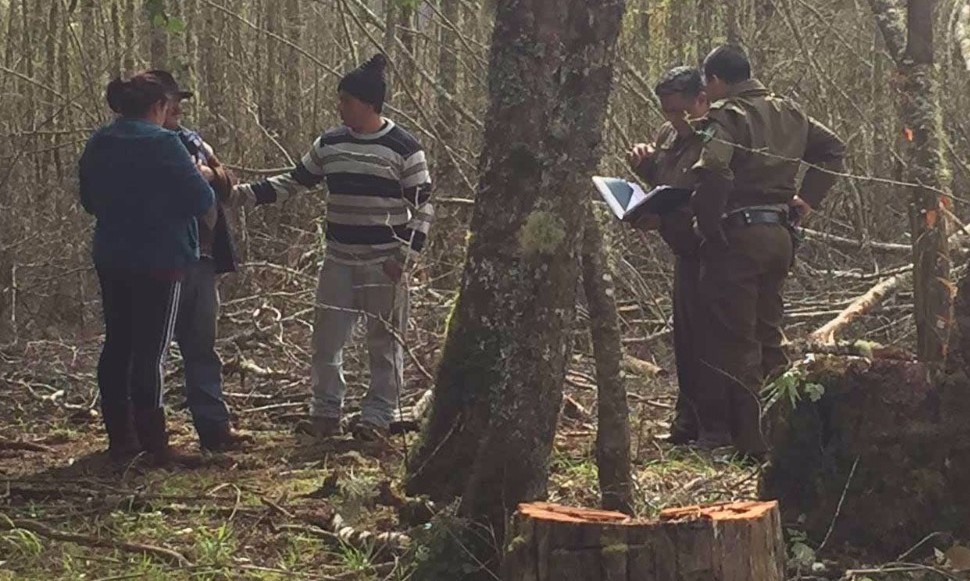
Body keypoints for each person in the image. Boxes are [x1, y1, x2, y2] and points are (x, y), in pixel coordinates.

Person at [233, 54, 433, 442]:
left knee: (385, 344)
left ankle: (376, 417)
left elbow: (424, 206)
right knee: (326, 341)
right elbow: (294, 182)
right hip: (338, 260)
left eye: (346, 100)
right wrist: (237, 194)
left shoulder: (404, 147)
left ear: (369, 104)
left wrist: (404, 257)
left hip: (383, 264)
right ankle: (325, 412)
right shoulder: (330, 143)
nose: (339, 106)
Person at [690, 45, 845, 457]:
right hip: (779, 236)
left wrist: (707, 227)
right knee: (770, 336)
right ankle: (789, 433)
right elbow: (833, 150)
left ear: (716, 80)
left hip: (738, 238)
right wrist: (807, 200)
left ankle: (754, 445)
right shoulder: (790, 113)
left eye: (709, 82)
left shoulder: (727, 116)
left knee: (737, 340)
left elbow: (714, 170)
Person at [79, 72, 215, 465]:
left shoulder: (100, 141)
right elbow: (200, 196)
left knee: (118, 343)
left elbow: (89, 200)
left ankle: (120, 436)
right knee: (151, 352)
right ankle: (155, 443)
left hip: (113, 255)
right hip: (162, 257)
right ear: (157, 108)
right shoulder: (166, 143)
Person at [150, 70, 251, 452]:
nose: (175, 108)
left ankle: (214, 429)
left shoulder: (194, 141)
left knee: (202, 346)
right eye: (167, 101)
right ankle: (150, 432)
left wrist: (207, 172)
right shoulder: (147, 146)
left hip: (203, 259)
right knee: (152, 350)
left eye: (177, 101)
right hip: (162, 257)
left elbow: (227, 182)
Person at [628, 66, 716, 446]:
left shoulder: (718, 135)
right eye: (667, 111)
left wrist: (665, 215)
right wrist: (645, 165)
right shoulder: (667, 135)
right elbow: (666, 184)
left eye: (681, 111)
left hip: (713, 250)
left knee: (714, 340)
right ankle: (687, 423)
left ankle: (717, 426)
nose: (675, 120)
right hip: (681, 249)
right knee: (686, 341)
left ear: (702, 100)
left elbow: (710, 196)